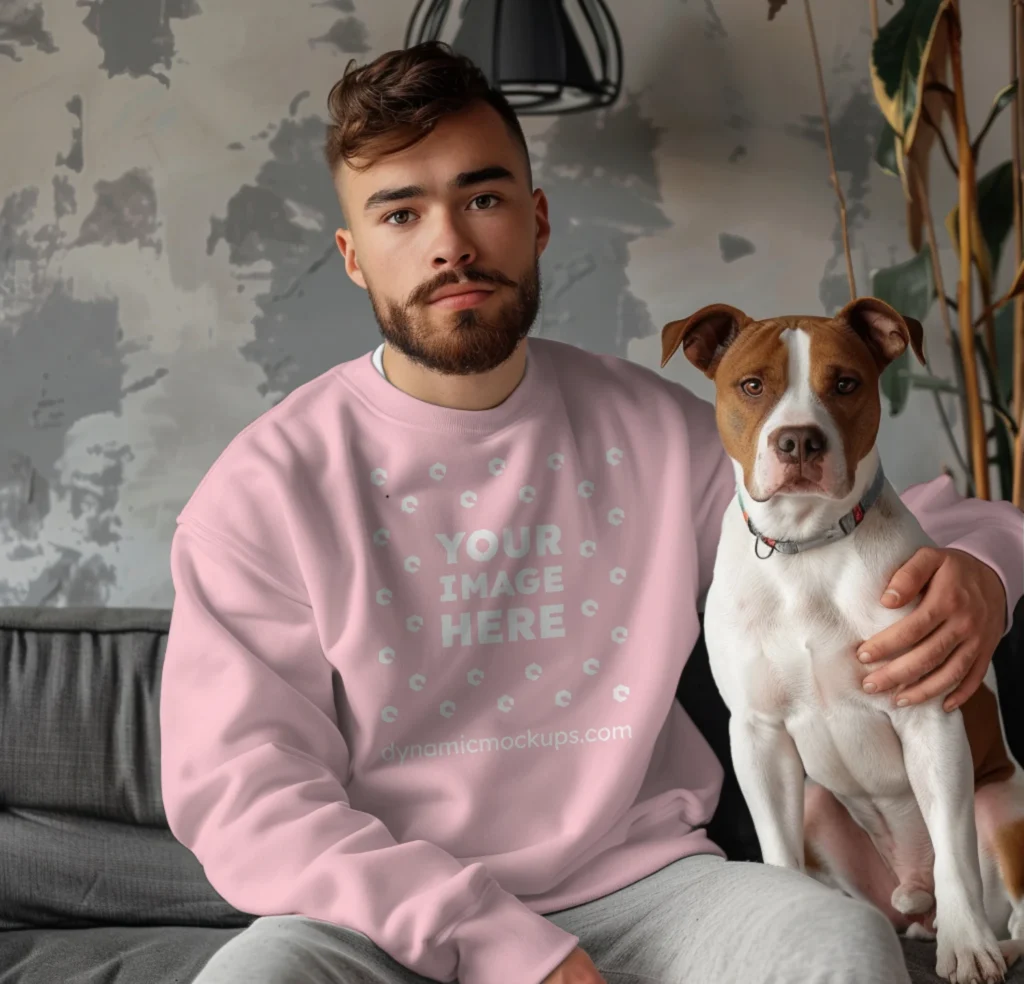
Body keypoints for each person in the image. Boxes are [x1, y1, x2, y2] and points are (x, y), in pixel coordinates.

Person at [161, 41, 1024, 984]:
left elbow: (882, 515)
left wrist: (980, 573)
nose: (449, 241)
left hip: (652, 893)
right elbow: (247, 796)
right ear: (354, 257)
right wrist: (497, 943)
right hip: (377, 919)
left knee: (839, 948)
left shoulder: (656, 431)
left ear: (535, 222)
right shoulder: (264, 488)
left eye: (482, 197)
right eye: (400, 212)